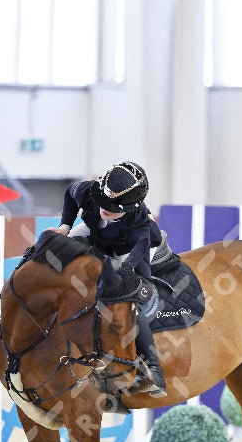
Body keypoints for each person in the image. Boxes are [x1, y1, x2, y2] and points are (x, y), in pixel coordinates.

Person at [49, 161, 166, 398]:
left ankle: (153, 369)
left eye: (113, 207)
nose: (104, 208)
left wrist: (116, 274)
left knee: (129, 296)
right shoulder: (90, 191)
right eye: (104, 201)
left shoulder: (141, 226)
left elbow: (128, 266)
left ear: (130, 207)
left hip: (129, 250)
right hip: (96, 233)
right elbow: (70, 193)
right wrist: (64, 226)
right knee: (57, 249)